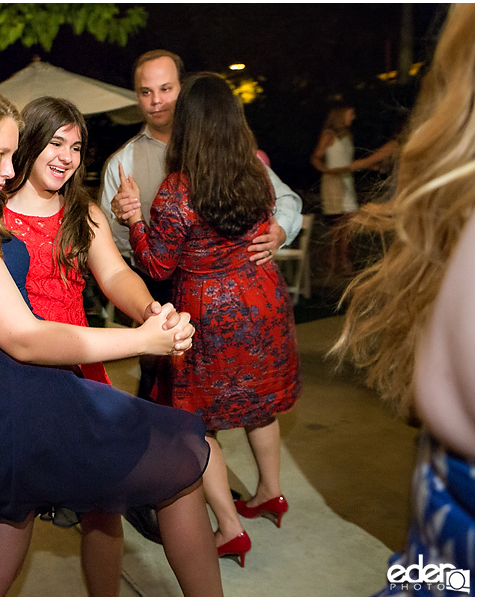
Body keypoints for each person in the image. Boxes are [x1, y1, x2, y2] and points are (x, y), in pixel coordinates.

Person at [0, 80, 222, 597]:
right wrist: (143, 340)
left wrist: (147, 314)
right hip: (14, 394)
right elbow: (23, 336)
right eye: (1, 154)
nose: (8, 169)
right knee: (184, 457)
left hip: (14, 391)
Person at [124, 72, 301, 568]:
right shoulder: (255, 174)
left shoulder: (178, 193)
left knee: (193, 421)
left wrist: (134, 219)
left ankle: (229, 527)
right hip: (262, 300)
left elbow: (157, 264)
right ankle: (271, 492)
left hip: (211, 314)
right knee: (259, 403)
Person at [332, 4, 474, 593]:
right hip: (335, 191)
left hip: (433, 565)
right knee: (340, 248)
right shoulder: (329, 139)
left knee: (341, 247)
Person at [104, 50, 302, 411]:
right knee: (166, 402)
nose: (156, 100)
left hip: (227, 289)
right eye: (145, 92)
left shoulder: (232, 153)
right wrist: (125, 220)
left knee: (231, 398)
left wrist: (280, 232)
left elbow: (286, 199)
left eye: (166, 88)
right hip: (160, 292)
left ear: (184, 90)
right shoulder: (121, 162)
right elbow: (114, 249)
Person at [310, 99, 359, 274]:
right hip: (333, 182)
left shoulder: (348, 136)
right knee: (338, 224)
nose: (353, 117)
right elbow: (316, 157)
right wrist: (327, 170)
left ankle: (338, 260)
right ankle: (335, 261)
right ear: (341, 115)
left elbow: (347, 160)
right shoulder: (328, 135)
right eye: (350, 113)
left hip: (347, 180)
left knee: (348, 223)